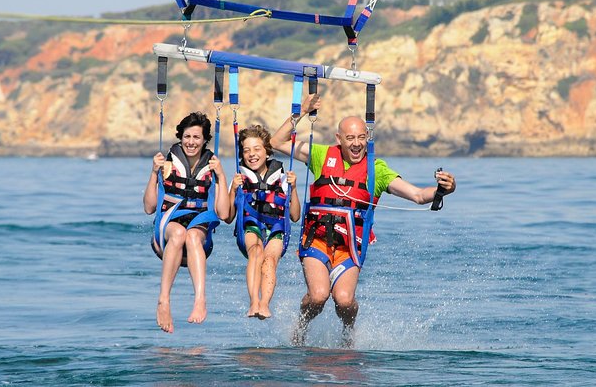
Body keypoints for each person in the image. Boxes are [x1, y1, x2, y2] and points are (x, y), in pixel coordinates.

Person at [270, 94, 456, 347]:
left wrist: (442, 189)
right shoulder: (321, 155)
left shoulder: (375, 169)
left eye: (361, 138)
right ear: (339, 139)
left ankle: (348, 330)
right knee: (318, 296)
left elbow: (417, 195)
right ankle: (300, 328)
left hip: (350, 247)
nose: (357, 144)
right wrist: (302, 110)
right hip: (317, 240)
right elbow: (276, 141)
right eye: (350, 138)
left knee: (344, 300)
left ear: (367, 138)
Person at [143, 112, 229, 333]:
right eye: (187, 136)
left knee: (190, 235)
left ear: (204, 140)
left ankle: (200, 299)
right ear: (180, 137)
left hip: (198, 233)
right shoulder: (167, 164)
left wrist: (222, 176)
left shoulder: (211, 168)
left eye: (197, 137)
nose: (191, 142)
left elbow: (224, 213)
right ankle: (164, 300)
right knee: (180, 233)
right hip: (167, 228)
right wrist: (154, 173)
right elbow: (149, 208)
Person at [226, 125, 301, 320]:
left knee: (269, 260)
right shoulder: (239, 178)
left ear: (267, 151)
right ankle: (254, 302)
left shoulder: (283, 178)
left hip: (276, 226)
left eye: (257, 149)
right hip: (250, 225)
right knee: (257, 253)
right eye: (246, 150)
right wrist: (233, 190)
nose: (252, 154)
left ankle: (264, 304)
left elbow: (295, 216)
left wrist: (293, 188)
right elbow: (227, 216)